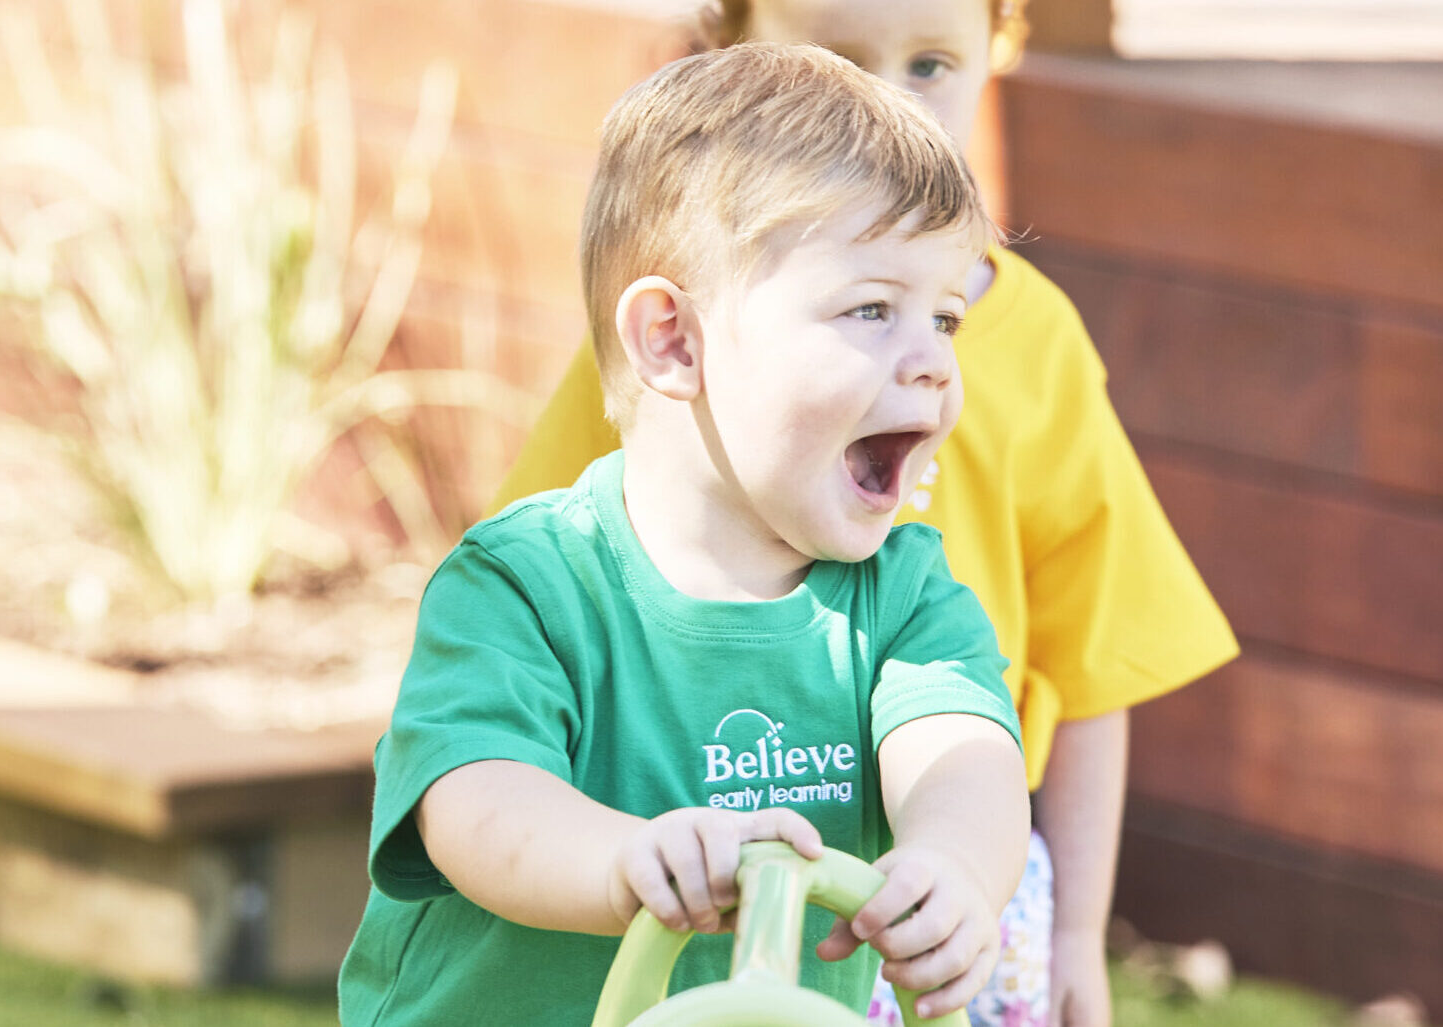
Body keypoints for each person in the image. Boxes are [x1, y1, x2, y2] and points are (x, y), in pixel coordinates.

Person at [486, 3, 1242, 1026]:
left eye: (931, 63)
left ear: (996, 55)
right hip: (704, 850)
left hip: (948, 882)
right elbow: (524, 624)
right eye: (831, 63)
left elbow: (1087, 659)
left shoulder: (1033, 361)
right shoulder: (669, 351)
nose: (888, 101)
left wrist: (1069, 930)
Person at [338, 42, 1034, 1025]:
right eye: (873, 309)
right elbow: (476, 799)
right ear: (673, 340)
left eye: (948, 318)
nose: (931, 364)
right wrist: (624, 860)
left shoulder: (903, 598)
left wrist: (954, 866)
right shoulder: (528, 583)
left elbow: (963, 753)